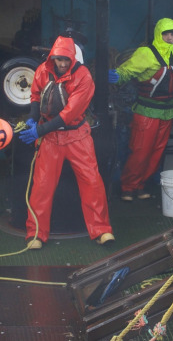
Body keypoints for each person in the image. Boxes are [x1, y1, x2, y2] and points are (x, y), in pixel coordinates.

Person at [19, 36, 115, 249]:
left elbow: (69, 113)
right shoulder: (43, 71)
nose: (62, 64)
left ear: (73, 58)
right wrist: (33, 118)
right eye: (59, 59)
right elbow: (35, 96)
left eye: (66, 60)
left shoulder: (84, 78)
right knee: (41, 186)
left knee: (92, 182)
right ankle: (35, 233)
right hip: (50, 139)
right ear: (53, 57)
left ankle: (101, 230)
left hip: (77, 136)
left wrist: (39, 131)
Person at [108, 18, 173, 201]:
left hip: (167, 112)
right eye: (167, 33)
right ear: (159, 34)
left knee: (156, 153)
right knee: (140, 151)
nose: (170, 37)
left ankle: (141, 186)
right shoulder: (145, 53)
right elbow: (127, 71)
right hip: (146, 112)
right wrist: (117, 76)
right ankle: (128, 187)